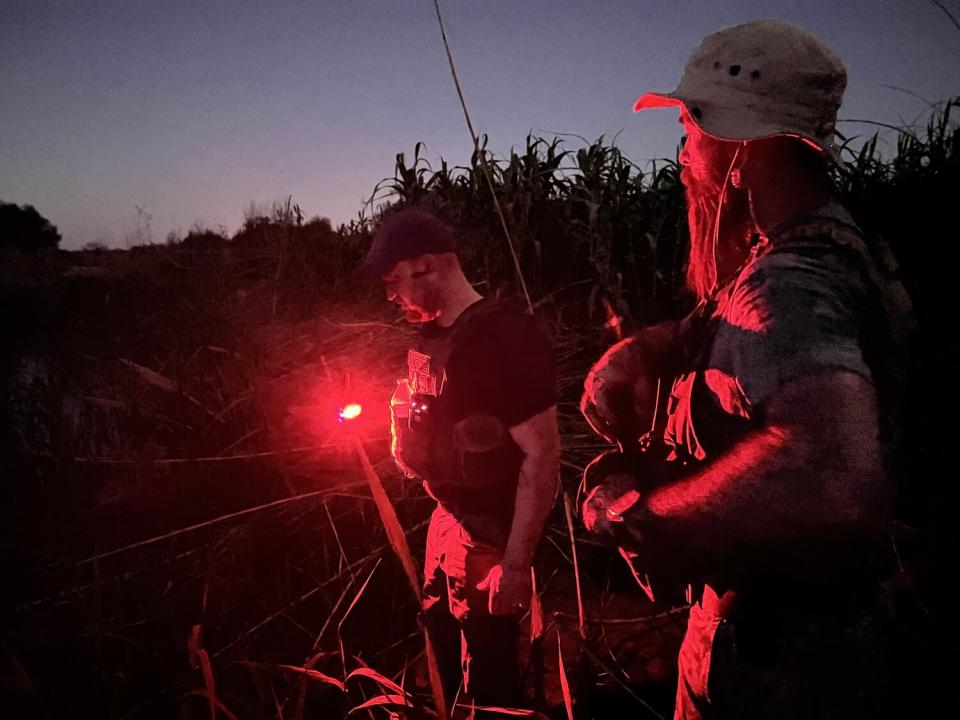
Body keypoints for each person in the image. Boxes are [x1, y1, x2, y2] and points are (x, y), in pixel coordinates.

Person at [579, 19, 922, 719]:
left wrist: (644, 517)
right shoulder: (836, 245)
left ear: (735, 142)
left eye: (691, 125)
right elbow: (738, 321)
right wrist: (647, 347)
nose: (684, 150)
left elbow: (831, 473)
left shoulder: (786, 284)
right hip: (836, 640)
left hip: (777, 659)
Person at [357, 209, 560, 712]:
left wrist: (515, 568)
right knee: (442, 655)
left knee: (489, 683)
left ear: (427, 268)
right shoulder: (427, 341)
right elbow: (422, 443)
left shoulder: (505, 339)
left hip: (489, 535)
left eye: (393, 281)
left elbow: (543, 457)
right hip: (442, 523)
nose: (389, 296)